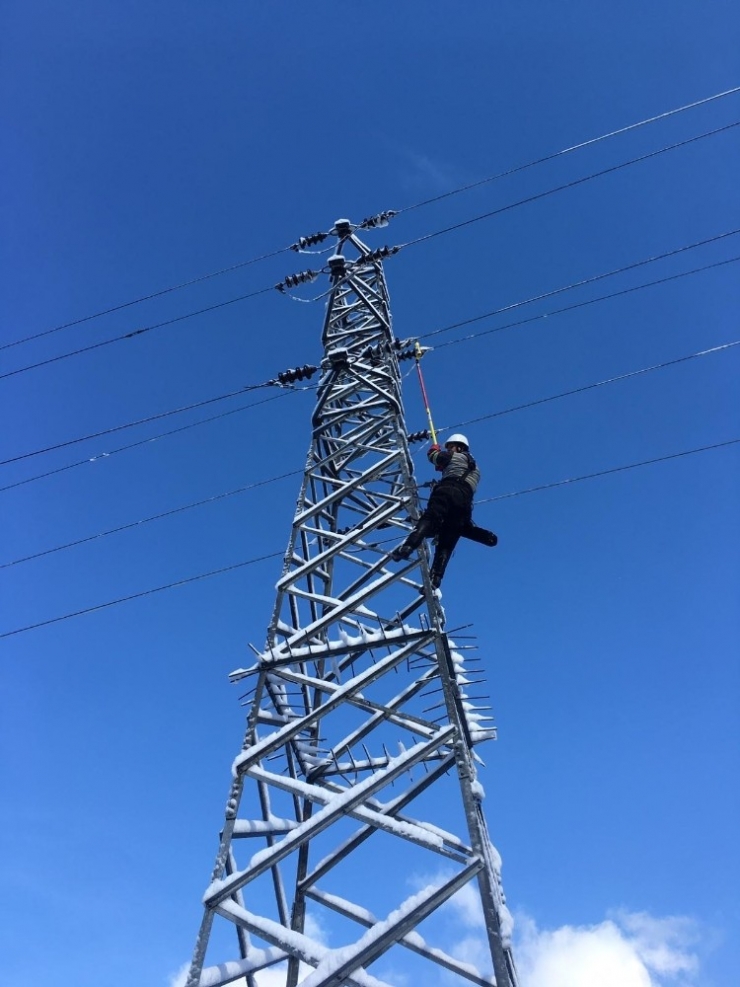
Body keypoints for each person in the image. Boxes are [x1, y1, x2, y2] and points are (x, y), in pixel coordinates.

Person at [391, 433, 497, 588]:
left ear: (459, 447)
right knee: (448, 538)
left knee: (430, 517)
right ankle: (436, 577)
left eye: (450, 447)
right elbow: (455, 470)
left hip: (447, 490)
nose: (449, 449)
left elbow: (434, 457)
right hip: (464, 502)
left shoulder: (455, 457)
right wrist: (444, 468)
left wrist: (434, 450)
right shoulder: (475, 468)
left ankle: (409, 545)